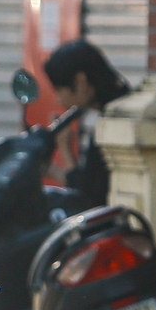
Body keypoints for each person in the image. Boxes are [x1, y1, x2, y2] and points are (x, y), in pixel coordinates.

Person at [40, 38, 131, 210]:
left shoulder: (111, 123)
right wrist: (51, 169)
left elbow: (89, 197)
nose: (60, 100)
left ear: (80, 82)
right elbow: (90, 182)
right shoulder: (116, 109)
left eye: (60, 90)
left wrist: (65, 148)